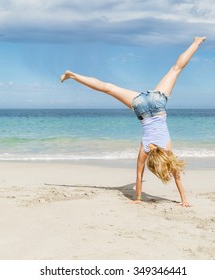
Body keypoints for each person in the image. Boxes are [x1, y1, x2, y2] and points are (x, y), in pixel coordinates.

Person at [61, 36, 206, 207]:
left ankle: (196, 42)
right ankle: (73, 76)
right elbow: (139, 175)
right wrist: (138, 198)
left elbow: (174, 175)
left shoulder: (167, 151)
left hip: (157, 103)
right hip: (141, 108)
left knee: (175, 69)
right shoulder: (145, 150)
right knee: (109, 89)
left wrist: (184, 200)